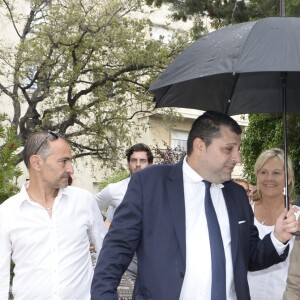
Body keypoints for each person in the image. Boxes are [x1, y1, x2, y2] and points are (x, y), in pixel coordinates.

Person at [91, 111, 299, 300]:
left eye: (238, 149)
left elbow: (248, 256)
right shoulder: (150, 184)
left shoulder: (236, 195)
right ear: (200, 146)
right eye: (228, 149)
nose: (237, 157)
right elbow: (115, 253)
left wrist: (277, 238)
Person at [0, 131, 107, 300]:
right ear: (36, 162)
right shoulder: (7, 212)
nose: (70, 169)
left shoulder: (84, 201)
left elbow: (106, 253)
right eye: (63, 161)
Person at [247, 148, 299, 300]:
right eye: (263, 172)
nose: (269, 178)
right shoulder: (244, 213)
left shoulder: (297, 217)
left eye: (276, 172)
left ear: (288, 178)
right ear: (256, 175)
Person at [95, 143, 154, 223]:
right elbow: (90, 207)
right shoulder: (113, 189)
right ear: (128, 164)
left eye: (142, 161)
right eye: (134, 160)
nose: (138, 164)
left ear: (150, 165)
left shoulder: (159, 192)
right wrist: (103, 228)